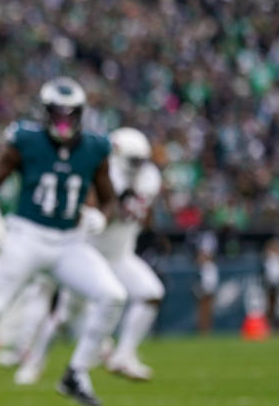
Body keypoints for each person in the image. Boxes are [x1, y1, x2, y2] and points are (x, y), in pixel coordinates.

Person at [0, 77, 126, 406]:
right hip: (27, 236)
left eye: (70, 113)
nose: (63, 120)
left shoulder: (95, 147)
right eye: (57, 113)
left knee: (113, 295)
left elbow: (109, 199)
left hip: (69, 242)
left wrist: (102, 218)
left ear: (80, 114)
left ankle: (76, 373)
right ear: (46, 112)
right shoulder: (26, 141)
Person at [15, 127, 166, 383]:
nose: (138, 166)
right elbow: (90, 207)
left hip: (120, 255)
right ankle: (34, 361)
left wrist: (146, 223)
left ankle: (125, 354)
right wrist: (112, 205)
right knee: (63, 317)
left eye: (142, 160)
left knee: (151, 294)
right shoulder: (104, 173)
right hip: (90, 256)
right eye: (133, 160)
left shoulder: (149, 177)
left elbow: (145, 213)